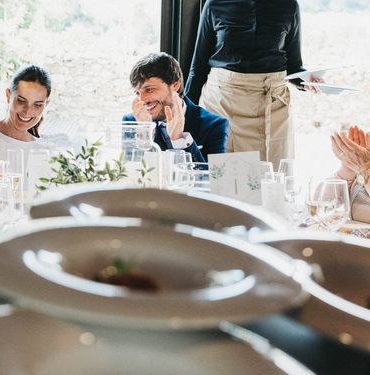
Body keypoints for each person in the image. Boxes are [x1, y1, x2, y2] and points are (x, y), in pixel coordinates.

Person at [185, 0, 321, 168]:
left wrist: (306, 80)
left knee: (274, 178)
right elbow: (198, 67)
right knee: (225, 180)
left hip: (273, 106)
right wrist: (186, 114)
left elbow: (293, 65)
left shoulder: (289, 5)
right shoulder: (215, 4)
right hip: (223, 104)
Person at [122, 52, 229, 163]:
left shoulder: (214, 125)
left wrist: (179, 139)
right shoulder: (131, 123)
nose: (142, 100)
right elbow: (129, 174)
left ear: (175, 85)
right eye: (137, 93)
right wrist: (145, 137)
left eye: (149, 89)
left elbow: (213, 178)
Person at [331, 125, 370, 223]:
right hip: (352, 235)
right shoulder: (364, 155)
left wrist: (365, 170)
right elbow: (319, 204)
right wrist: (347, 170)